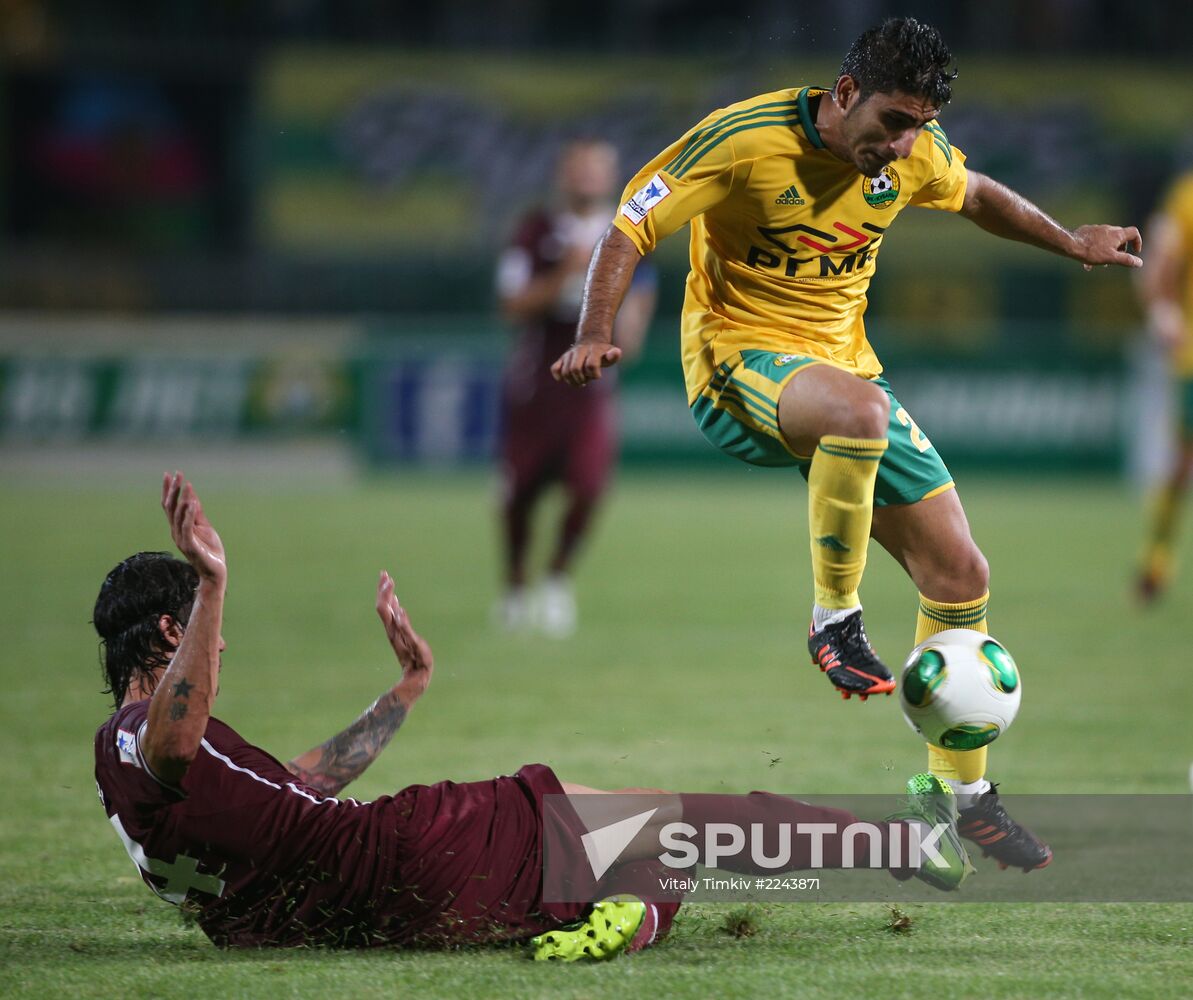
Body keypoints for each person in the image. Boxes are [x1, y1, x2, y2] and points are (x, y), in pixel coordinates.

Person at [552, 17, 1142, 872]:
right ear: (842, 95)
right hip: (737, 361)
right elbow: (630, 226)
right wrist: (594, 329)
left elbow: (973, 193)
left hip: (843, 373)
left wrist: (1071, 243)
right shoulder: (740, 140)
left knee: (960, 574)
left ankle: (958, 800)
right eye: (893, 123)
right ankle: (834, 620)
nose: (904, 147)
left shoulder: (913, 154)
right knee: (859, 416)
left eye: (918, 128)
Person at [93, 472, 971, 960]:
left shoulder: (115, 758)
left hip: (344, 914)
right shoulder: (155, 737)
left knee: (606, 850)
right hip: (400, 852)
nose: (221, 648)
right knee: (673, 823)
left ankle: (618, 902)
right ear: (172, 631)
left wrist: (402, 694)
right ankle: (890, 848)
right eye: (204, 632)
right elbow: (175, 740)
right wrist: (213, 580)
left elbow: (296, 787)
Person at [494, 138, 657, 637]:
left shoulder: (629, 233)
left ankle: (557, 578)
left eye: (597, 169)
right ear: (563, 174)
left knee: (588, 486)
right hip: (535, 383)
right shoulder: (534, 231)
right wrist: (566, 270)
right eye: (579, 168)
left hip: (590, 388)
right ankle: (515, 586)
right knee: (520, 491)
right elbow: (511, 305)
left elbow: (636, 320)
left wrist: (621, 322)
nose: (587, 178)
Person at [1136, 167, 1193, 602]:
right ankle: (1156, 558)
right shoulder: (1187, 196)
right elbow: (1163, 261)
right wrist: (1162, 313)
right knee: (1182, 465)